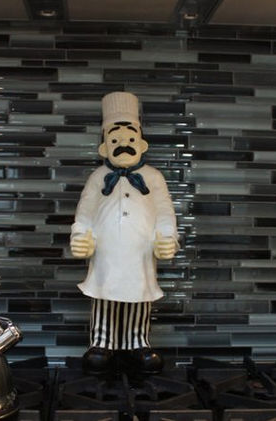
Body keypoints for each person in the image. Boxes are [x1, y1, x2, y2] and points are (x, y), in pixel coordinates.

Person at [70, 91, 179, 375]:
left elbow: (165, 211)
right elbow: (85, 211)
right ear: (104, 147)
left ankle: (137, 343)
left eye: (130, 140)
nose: (123, 146)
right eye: (115, 141)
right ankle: (101, 343)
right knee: (104, 296)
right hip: (105, 253)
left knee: (139, 297)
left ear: (141, 144)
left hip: (141, 253)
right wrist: (80, 236)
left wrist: (167, 238)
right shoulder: (97, 178)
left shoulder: (154, 177)